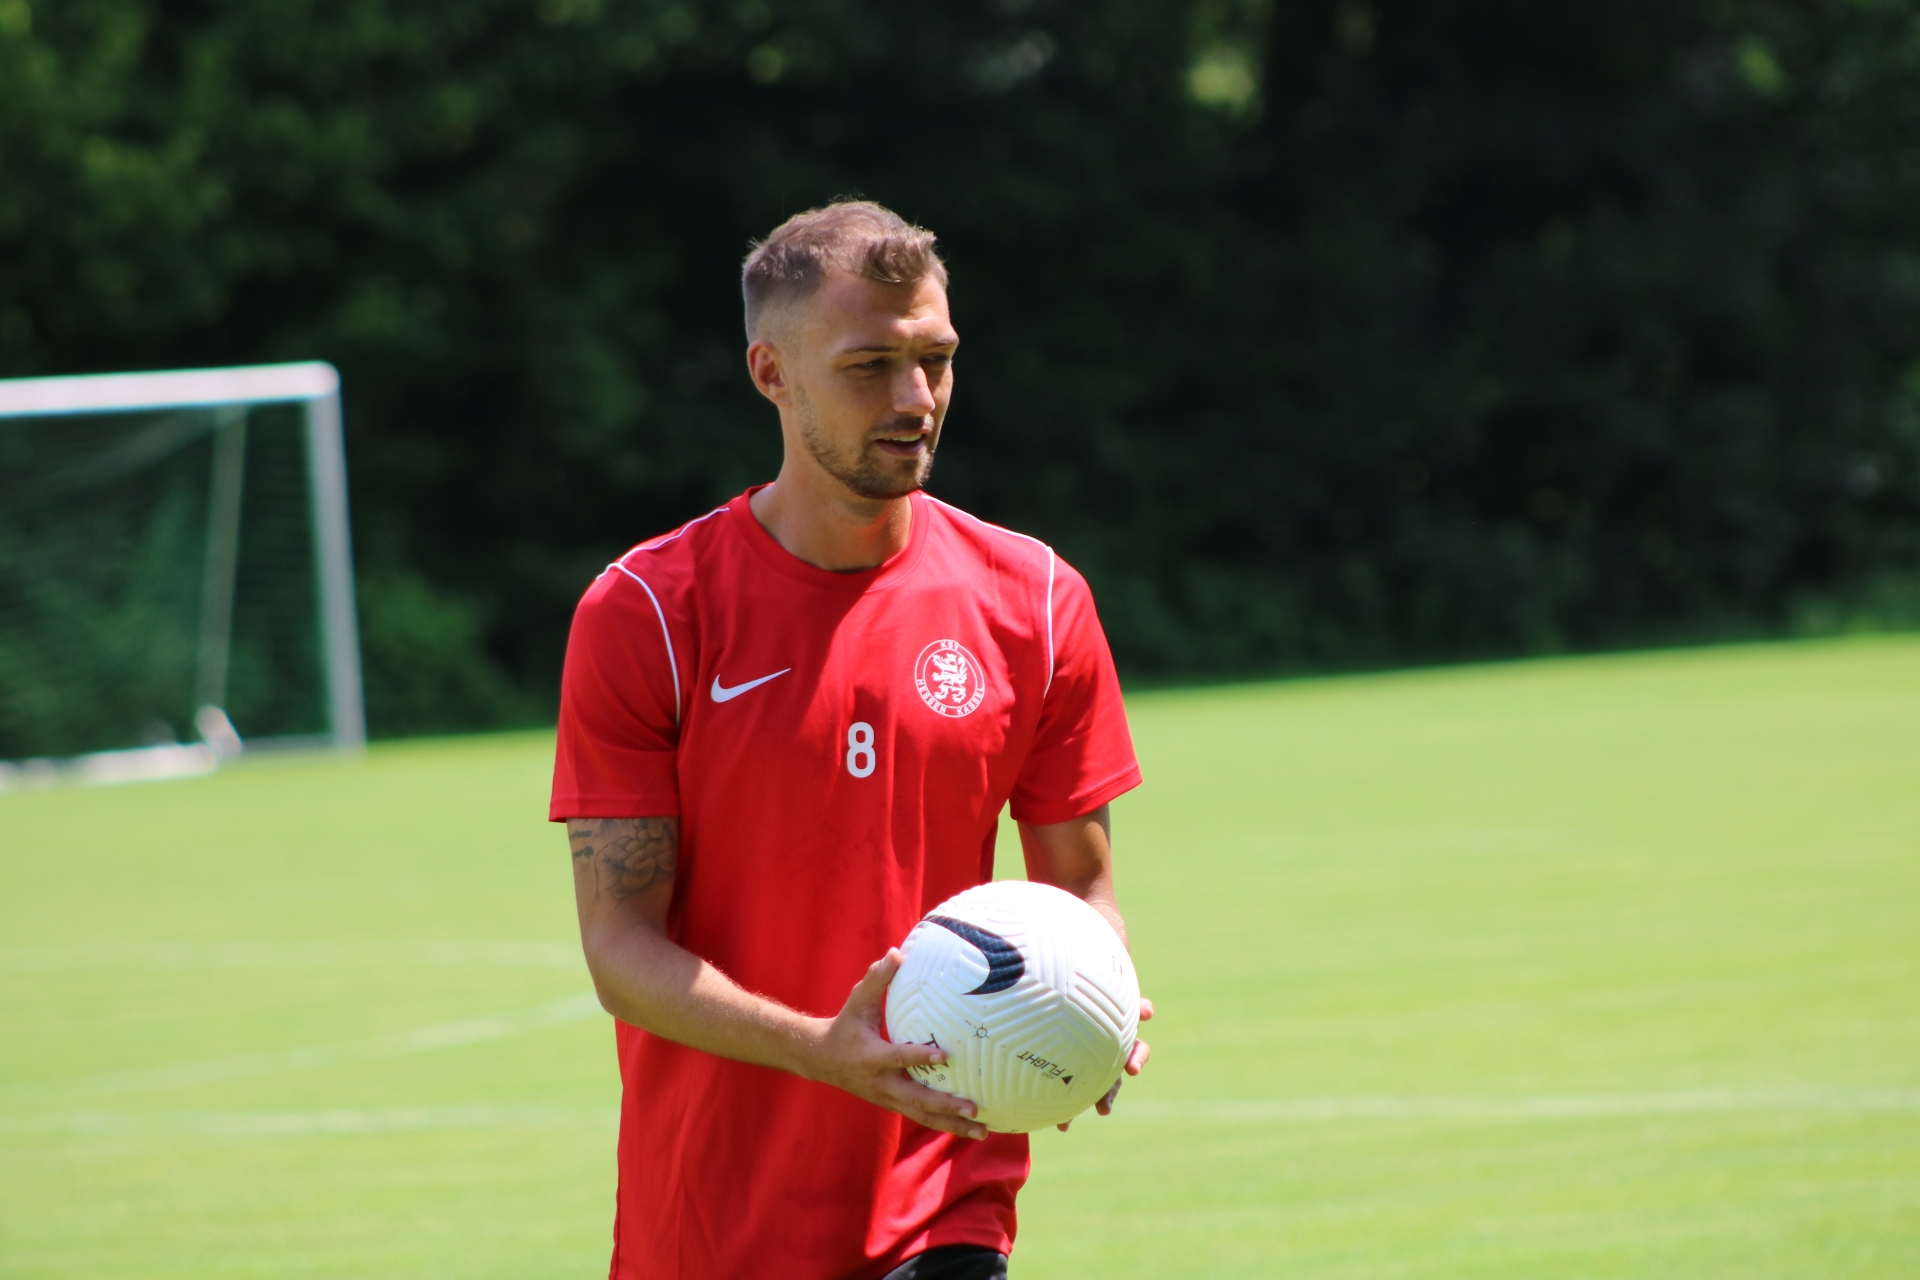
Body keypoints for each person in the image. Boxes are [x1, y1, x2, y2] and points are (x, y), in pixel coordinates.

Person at [549, 200, 1152, 1280]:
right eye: (871, 366)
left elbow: (1079, 885)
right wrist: (820, 1049)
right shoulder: (648, 613)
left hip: (945, 1206)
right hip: (712, 1225)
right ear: (770, 373)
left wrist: (1094, 996)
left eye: (937, 360)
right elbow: (621, 951)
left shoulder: (1037, 599)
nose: (916, 399)